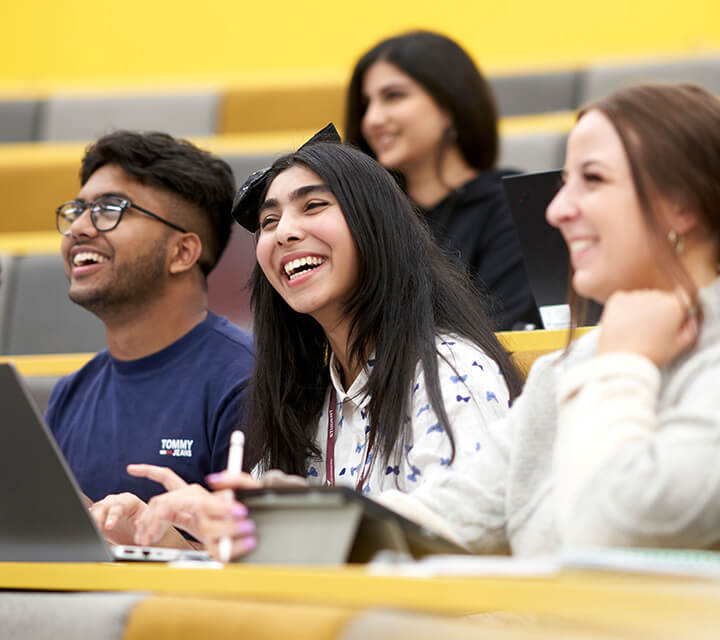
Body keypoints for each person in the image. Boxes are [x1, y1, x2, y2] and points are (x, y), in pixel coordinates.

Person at [97, 125, 524, 559]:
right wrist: (160, 538)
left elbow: (466, 535)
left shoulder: (450, 369)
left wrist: (296, 520)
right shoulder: (300, 396)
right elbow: (273, 563)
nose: (284, 232)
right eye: (269, 221)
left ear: (376, 225)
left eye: (313, 205)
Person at [462, 83, 720, 554]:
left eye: (594, 179)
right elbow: (451, 511)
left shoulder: (609, 362)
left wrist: (622, 365)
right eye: (564, 184)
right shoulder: (566, 367)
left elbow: (611, 537)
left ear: (683, 205)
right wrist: (313, 513)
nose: (556, 210)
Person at [46, 131, 255, 538]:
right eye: (78, 211)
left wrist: (147, 535)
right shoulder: (69, 393)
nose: (79, 229)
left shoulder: (247, 379)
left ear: (182, 253)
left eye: (110, 208)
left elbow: (255, 561)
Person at [344, 30, 541, 331]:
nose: (372, 119)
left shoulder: (512, 204)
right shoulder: (365, 216)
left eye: (393, 96)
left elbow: (499, 332)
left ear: (449, 104)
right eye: (367, 104)